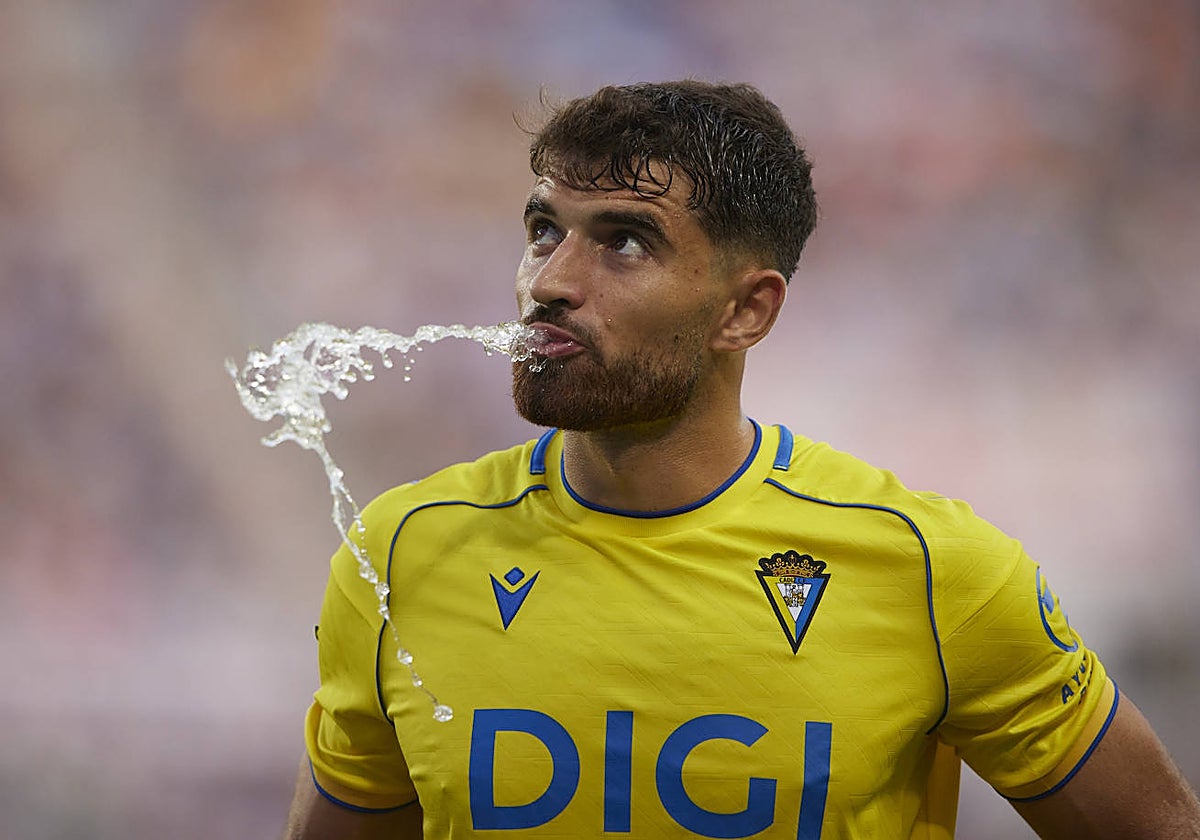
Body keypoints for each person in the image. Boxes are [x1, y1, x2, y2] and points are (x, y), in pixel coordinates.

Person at [281, 81, 1200, 839]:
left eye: (624, 241)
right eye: (543, 231)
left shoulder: (929, 570)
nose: (550, 281)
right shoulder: (400, 553)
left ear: (746, 311)